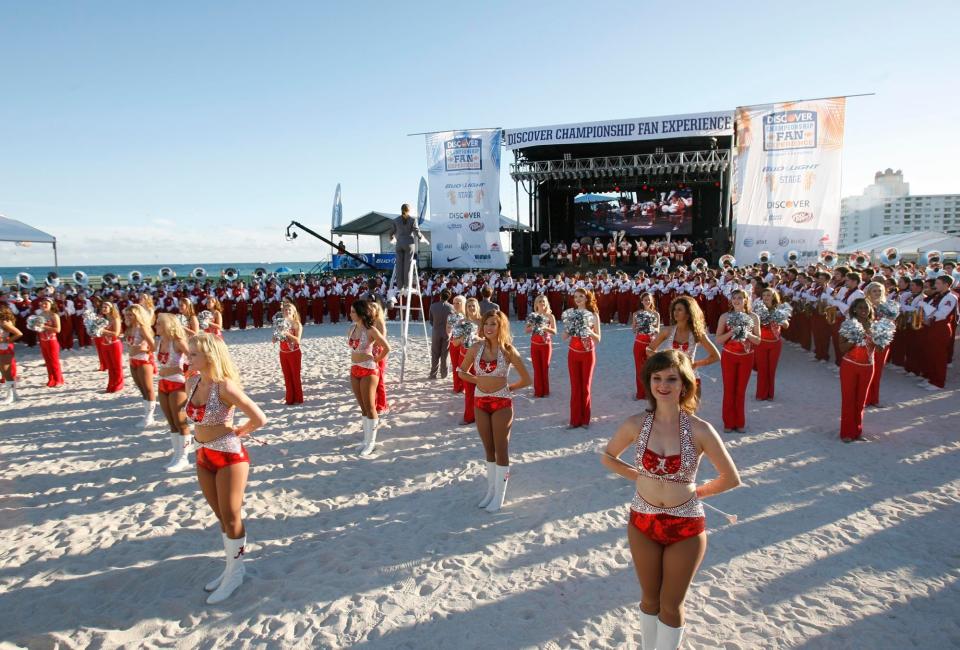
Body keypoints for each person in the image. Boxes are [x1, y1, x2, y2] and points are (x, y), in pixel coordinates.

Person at [600, 350, 741, 650]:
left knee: (670, 604)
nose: (663, 385)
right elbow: (608, 457)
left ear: (685, 384)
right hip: (642, 520)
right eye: (657, 378)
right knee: (649, 600)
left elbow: (730, 477)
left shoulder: (701, 429)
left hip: (685, 526)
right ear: (649, 382)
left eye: (671, 378)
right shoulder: (635, 424)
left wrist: (695, 492)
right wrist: (639, 477)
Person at [187, 333, 267, 604]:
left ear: (209, 356)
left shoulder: (225, 387)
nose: (189, 358)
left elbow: (259, 417)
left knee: (232, 515)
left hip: (230, 457)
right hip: (203, 455)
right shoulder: (193, 382)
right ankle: (232, 568)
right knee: (220, 515)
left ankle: (235, 574)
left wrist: (241, 431)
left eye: (194, 354)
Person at [458, 310, 532, 512]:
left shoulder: (508, 350)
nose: (489, 328)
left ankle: (499, 495)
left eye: (493, 324)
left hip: (502, 403)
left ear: (501, 327)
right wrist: (477, 380)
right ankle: (491, 491)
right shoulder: (475, 347)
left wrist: (509, 388)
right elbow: (461, 371)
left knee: (501, 449)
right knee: (488, 448)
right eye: (486, 324)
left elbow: (527, 379)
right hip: (480, 401)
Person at [648, 296, 720, 399]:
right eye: (674, 309)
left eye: (680, 310)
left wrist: (696, 364)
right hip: (669, 379)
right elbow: (649, 349)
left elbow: (716, 356)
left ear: (688, 314)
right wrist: (664, 359)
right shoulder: (667, 331)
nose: (675, 312)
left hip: (690, 377)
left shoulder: (698, 334)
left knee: (688, 412)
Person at [348, 299, 391, 457]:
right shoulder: (352, 328)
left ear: (360, 313)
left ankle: (371, 442)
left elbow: (387, 347)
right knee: (363, 407)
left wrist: (377, 359)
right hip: (354, 369)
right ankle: (366, 440)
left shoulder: (371, 330)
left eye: (353, 311)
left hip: (369, 370)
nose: (350, 314)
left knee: (370, 406)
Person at [715, 290, 761, 433]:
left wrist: (746, 332)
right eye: (734, 298)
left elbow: (758, 341)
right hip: (729, 355)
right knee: (729, 389)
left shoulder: (753, 317)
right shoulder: (725, 316)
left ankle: (740, 422)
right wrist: (732, 332)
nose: (736, 301)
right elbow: (718, 339)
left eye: (740, 298)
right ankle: (728, 423)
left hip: (747, 356)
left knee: (741, 390)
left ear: (746, 300)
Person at [154, 313, 192, 471]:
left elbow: (194, 360)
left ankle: (184, 458)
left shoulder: (178, 341)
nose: (155, 326)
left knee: (180, 421)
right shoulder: (160, 340)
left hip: (177, 383)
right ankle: (177, 455)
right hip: (163, 384)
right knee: (171, 422)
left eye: (159, 324)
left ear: (167, 325)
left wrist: (176, 368)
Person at [563, 288, 602, 429]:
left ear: (587, 298)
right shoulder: (571, 314)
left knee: (585, 387)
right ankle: (574, 421)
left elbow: (598, 338)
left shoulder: (593, 315)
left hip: (588, 353)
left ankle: (585, 420)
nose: (578, 299)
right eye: (575, 296)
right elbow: (564, 337)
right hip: (573, 353)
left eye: (581, 296)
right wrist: (570, 327)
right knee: (575, 387)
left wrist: (589, 330)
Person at [839, 298, 875, 442]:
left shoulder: (876, 326)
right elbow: (842, 348)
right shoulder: (847, 325)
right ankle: (847, 433)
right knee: (848, 399)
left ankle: (857, 431)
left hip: (868, 367)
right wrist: (855, 338)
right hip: (849, 365)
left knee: (861, 401)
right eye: (860, 308)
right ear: (854, 310)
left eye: (866, 308)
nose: (863, 311)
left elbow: (879, 349)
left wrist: (879, 340)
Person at [123, 304, 158, 426]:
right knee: (142, 389)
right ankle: (147, 415)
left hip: (144, 361)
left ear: (137, 315)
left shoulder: (142, 328)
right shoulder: (129, 329)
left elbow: (153, 346)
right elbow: (130, 345)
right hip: (133, 360)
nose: (128, 316)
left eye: (131, 314)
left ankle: (149, 417)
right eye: (127, 314)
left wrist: (142, 349)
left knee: (148, 389)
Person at [755, 288, 790, 401]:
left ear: (773, 297)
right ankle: (761, 394)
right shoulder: (758, 309)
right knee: (762, 369)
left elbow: (786, 325)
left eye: (768, 295)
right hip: (761, 343)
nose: (766, 297)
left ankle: (770, 394)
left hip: (775, 344)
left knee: (771, 369)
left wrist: (780, 320)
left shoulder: (779, 309)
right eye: (764, 295)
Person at [455, 298, 483, 425]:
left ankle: (481, 415)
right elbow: (455, 343)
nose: (471, 308)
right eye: (469, 306)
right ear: (466, 308)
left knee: (481, 388)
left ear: (477, 307)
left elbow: (488, 339)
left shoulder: (482, 322)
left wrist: (476, 337)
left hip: (479, 357)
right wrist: (463, 336)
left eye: (473, 306)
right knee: (468, 388)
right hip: (464, 357)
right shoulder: (461, 322)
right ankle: (469, 416)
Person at [525, 294, 557, 398]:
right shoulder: (532, 315)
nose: (542, 303)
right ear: (536, 304)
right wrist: (535, 326)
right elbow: (526, 330)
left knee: (545, 368)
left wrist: (545, 328)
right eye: (540, 301)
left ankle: (545, 390)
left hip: (546, 345)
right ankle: (538, 391)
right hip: (534, 345)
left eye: (543, 301)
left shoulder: (550, 316)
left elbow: (555, 331)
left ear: (546, 303)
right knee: (536, 368)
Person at [389, 203, 425, 291]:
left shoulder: (395, 220)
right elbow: (416, 232)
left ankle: (399, 286)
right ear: (409, 210)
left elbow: (391, 232)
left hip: (399, 244)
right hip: (409, 244)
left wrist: (391, 239)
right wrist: (422, 238)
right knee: (407, 266)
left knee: (399, 265)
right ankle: (406, 286)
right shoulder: (413, 220)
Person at [631, 292, 661, 400]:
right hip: (639, 343)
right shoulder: (636, 314)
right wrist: (639, 327)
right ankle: (640, 393)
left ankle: (651, 393)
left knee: (651, 369)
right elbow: (633, 329)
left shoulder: (656, 314)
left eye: (649, 300)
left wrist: (651, 328)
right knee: (639, 369)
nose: (647, 302)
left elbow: (658, 330)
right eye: (645, 300)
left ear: (652, 301)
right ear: (641, 301)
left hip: (651, 344)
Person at [275, 298, 303, 405]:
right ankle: (289, 399)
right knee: (287, 377)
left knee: (295, 376)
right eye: (286, 310)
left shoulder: (297, 324)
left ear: (294, 312)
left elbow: (297, 340)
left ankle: (298, 399)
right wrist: (276, 337)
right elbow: (277, 338)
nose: (287, 312)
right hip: (283, 353)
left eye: (290, 310)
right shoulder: (280, 324)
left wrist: (287, 333)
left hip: (294, 353)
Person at [35, 297, 65, 388]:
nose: (43, 305)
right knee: (47, 361)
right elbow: (38, 328)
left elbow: (58, 330)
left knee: (54, 361)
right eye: (42, 304)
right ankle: (51, 379)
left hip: (52, 341)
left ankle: (58, 380)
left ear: (51, 305)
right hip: (43, 340)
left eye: (46, 304)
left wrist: (44, 327)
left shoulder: (54, 315)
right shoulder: (40, 314)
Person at [429, 289, 455, 380]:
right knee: (445, 354)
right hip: (447, 332)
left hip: (436, 331)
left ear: (440, 295)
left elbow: (431, 320)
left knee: (435, 353)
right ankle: (444, 374)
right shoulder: (452, 307)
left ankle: (433, 374)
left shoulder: (433, 306)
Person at [369, 300, 390, 415]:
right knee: (373, 380)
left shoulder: (380, 322)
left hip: (378, 352)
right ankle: (375, 403)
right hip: (371, 352)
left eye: (373, 308)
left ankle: (382, 405)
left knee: (380, 379)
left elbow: (382, 341)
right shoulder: (370, 321)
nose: (371, 310)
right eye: (370, 308)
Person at [100, 301, 125, 393]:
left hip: (114, 344)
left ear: (111, 309)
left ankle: (119, 384)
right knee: (110, 366)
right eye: (103, 307)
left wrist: (103, 331)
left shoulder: (115, 319)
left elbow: (116, 333)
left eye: (106, 307)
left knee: (117, 366)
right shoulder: (101, 319)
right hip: (104, 344)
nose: (104, 308)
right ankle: (111, 383)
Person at [0, 306, 23, 403]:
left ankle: (10, 396)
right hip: (2, 349)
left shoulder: (4, 322)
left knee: (7, 374)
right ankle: (14, 395)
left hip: (4, 349)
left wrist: (7, 340)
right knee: (4, 373)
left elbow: (19, 333)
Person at [447, 295, 468, 393]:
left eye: (458, 303)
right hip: (453, 342)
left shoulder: (468, 316)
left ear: (463, 303)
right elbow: (448, 329)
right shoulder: (451, 316)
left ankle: (465, 386)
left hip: (465, 343)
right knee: (455, 365)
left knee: (463, 366)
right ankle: (457, 387)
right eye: (454, 303)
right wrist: (449, 329)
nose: (455, 305)